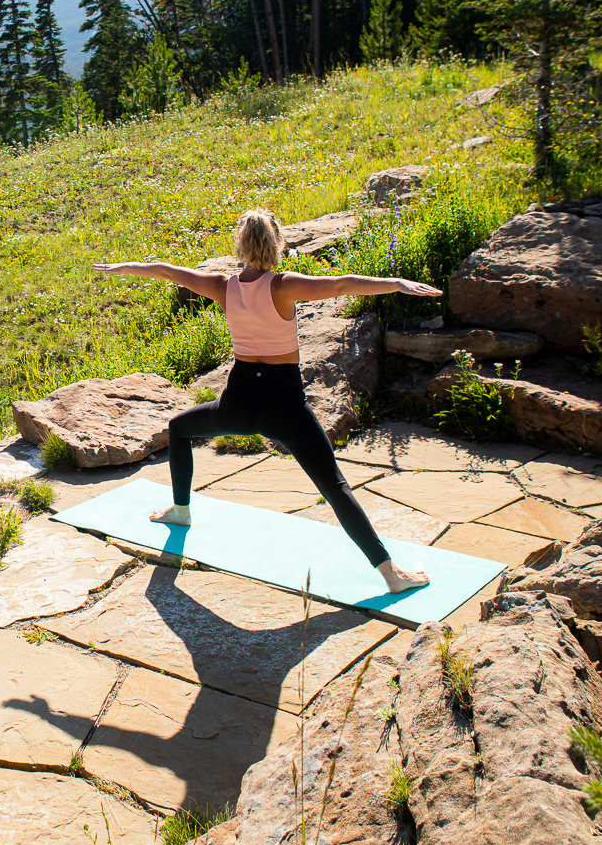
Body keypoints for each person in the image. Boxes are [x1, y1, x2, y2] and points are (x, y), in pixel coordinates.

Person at [95, 208, 437, 595]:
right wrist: (395, 283)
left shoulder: (224, 286)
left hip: (238, 403)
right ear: (277, 243)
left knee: (179, 429)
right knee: (335, 486)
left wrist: (125, 267)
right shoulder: (283, 286)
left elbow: (168, 270)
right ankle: (390, 574)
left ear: (240, 244)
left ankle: (181, 511)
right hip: (285, 407)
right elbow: (343, 284)